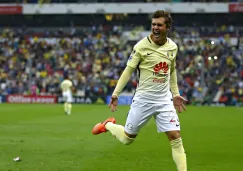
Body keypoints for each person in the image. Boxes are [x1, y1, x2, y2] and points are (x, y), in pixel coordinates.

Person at [92, 10, 187, 171]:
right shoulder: (141, 47)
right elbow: (128, 70)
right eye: (153, 24)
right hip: (143, 99)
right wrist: (116, 93)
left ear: (167, 27)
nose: (155, 28)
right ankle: (108, 125)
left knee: (175, 137)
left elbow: (172, 71)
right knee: (127, 139)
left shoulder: (172, 47)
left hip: (164, 100)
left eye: (159, 25)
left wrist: (176, 94)